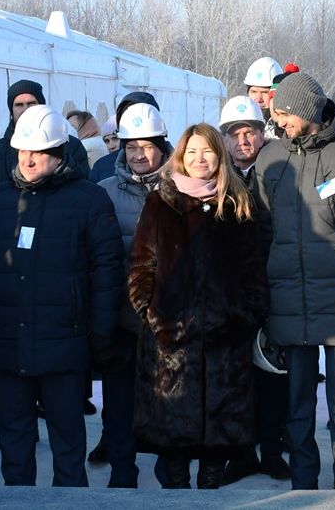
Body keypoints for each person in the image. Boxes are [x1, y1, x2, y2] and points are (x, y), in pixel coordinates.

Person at [0, 105, 123, 487]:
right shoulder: (0, 199)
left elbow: (107, 270)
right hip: (9, 337)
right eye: (23, 151)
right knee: (14, 438)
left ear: (58, 154)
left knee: (68, 442)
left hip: (64, 341)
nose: (29, 159)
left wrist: (99, 330)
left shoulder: (88, 200)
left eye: (38, 152)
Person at [253, 72, 335, 490]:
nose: (279, 121)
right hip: (289, 294)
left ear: (307, 111)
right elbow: (261, 229)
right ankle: (302, 485)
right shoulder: (271, 159)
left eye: (285, 113)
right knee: (297, 404)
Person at [128, 124, 266, 489]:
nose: (199, 159)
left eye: (206, 151)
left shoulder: (236, 203)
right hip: (170, 346)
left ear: (219, 156)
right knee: (172, 449)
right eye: (192, 152)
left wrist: (242, 317)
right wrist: (153, 315)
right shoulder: (161, 202)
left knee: (215, 455)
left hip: (225, 346)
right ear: (181, 157)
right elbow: (142, 266)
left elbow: (254, 270)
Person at [91, 102, 170, 487]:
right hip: (122, 321)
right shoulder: (104, 192)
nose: (138, 154)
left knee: (167, 406)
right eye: (130, 146)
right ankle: (123, 475)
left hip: (167, 324)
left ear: (162, 145)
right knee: (119, 406)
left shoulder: (181, 189)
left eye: (146, 146)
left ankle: (170, 477)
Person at [217, 95, 292, 483]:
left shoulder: (280, 168)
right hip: (228, 292)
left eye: (251, 132)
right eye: (236, 134)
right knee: (234, 374)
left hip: (273, 283)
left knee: (272, 373)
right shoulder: (214, 175)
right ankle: (240, 451)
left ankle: (273, 449)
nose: (244, 141)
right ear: (224, 138)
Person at [0, 80, 89, 184]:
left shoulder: (71, 145)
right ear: (11, 110)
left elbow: (83, 186)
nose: (26, 109)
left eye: (31, 103)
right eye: (19, 105)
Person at [88, 92, 163, 184]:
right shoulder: (104, 171)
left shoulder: (179, 177)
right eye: (107, 141)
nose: (139, 156)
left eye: (147, 147)